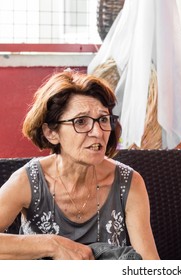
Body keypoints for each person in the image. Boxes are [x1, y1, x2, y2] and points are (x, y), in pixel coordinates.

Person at [0, 70, 160, 260]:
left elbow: (150, 265)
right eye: (81, 122)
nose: (97, 132)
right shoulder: (27, 181)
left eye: (103, 119)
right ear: (52, 133)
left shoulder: (129, 182)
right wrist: (52, 244)